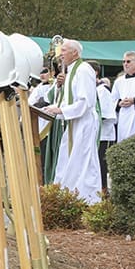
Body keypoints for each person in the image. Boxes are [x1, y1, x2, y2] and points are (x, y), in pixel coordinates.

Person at [43, 39, 102, 204]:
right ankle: (67, 196)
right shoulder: (71, 72)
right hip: (73, 123)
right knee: (68, 158)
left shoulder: (83, 70)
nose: (61, 55)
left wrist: (61, 110)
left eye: (64, 51)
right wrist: (54, 108)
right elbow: (68, 99)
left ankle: (87, 199)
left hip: (83, 123)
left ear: (75, 53)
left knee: (83, 161)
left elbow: (85, 101)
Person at [112, 51, 135, 142]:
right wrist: (119, 103)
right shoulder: (119, 81)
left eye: (128, 61)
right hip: (124, 117)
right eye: (123, 62)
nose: (125, 64)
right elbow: (112, 100)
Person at [96, 77, 116, 191]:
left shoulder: (103, 90)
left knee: (102, 165)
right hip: (95, 134)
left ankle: (103, 191)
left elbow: (106, 113)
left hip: (104, 135)